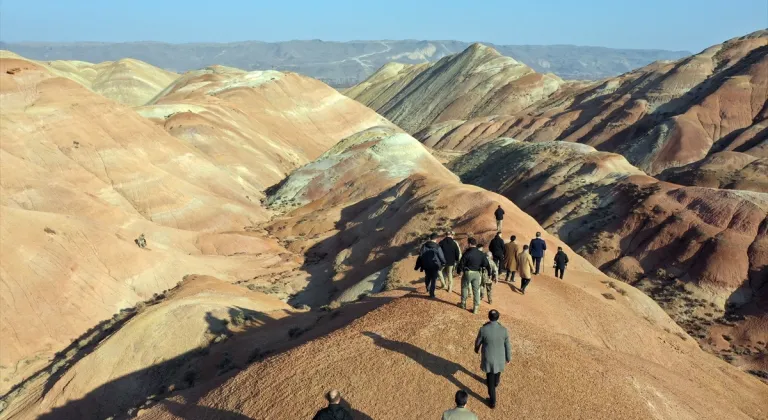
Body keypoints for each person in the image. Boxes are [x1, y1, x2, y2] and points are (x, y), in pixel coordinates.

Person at [474, 309, 511, 409]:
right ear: (498, 317)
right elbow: (507, 345)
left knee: (490, 381)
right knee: (497, 372)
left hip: (488, 359)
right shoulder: (504, 330)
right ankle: (496, 382)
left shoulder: (483, 329)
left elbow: (478, 342)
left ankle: (492, 402)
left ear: (489, 317)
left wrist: (476, 349)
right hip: (500, 358)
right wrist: (508, 357)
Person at [456, 237, 491, 314]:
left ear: (469, 244)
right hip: (477, 274)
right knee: (476, 291)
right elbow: (486, 264)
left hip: (467, 273)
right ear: (475, 244)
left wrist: (459, 271)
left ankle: (463, 304)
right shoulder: (481, 254)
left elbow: (461, 263)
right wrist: (489, 273)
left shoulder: (467, 253)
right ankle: (476, 308)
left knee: (464, 288)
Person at [414, 233, 446, 298]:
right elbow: (441, 257)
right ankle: (432, 294)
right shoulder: (437, 247)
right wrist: (444, 262)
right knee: (434, 279)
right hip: (435, 265)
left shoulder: (424, 245)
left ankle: (427, 288)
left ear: (430, 238)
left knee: (427, 276)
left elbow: (421, 255)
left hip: (426, 265)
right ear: (436, 239)